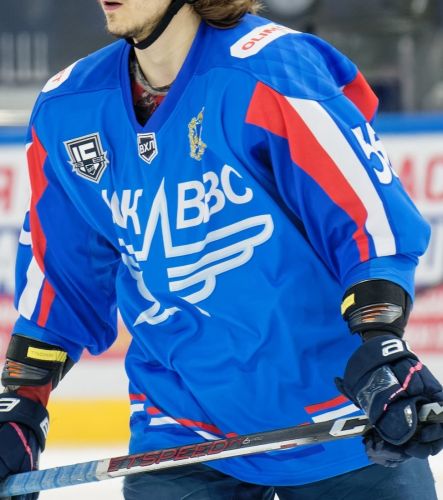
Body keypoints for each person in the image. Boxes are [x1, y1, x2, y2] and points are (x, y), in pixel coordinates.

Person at [0, 0, 442, 498]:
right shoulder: (69, 107)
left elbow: (366, 222)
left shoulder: (270, 71)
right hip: (181, 428)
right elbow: (62, 283)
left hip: (340, 417)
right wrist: (20, 404)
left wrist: (382, 344)